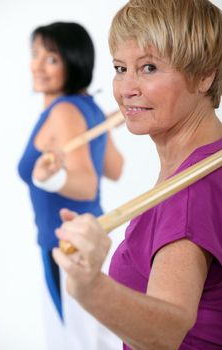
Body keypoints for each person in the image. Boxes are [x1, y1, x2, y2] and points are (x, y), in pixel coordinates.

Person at [52, 1, 222, 349]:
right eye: (120, 68)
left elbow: (167, 330)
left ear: (205, 74)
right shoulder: (196, 167)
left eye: (148, 67)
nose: (127, 88)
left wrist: (90, 286)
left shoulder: (191, 191)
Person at [17, 22, 123, 350]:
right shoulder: (86, 106)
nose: (37, 65)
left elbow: (88, 184)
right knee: (94, 337)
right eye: (35, 54)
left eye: (51, 59)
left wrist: (52, 178)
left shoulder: (64, 111)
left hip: (68, 245)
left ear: (74, 61)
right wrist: (99, 130)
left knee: (75, 342)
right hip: (87, 236)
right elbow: (115, 169)